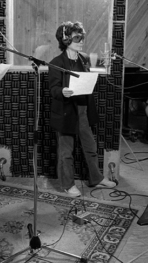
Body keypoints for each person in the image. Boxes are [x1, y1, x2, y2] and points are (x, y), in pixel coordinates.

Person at [49, 21, 116, 197]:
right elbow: (53, 89)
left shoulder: (83, 59)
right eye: (77, 38)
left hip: (83, 110)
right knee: (66, 152)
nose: (81, 41)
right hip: (65, 112)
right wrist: (62, 91)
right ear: (65, 40)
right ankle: (68, 184)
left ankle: (96, 178)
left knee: (90, 147)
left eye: (82, 37)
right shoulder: (56, 63)